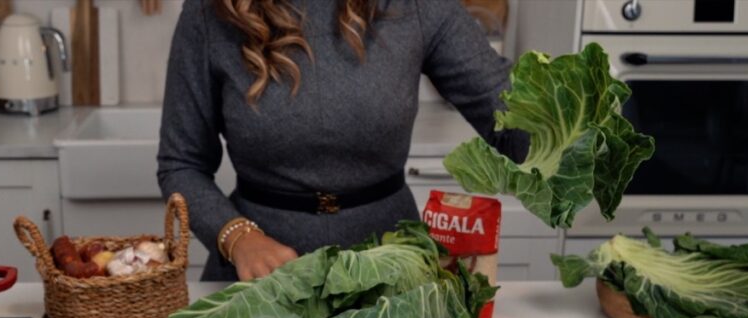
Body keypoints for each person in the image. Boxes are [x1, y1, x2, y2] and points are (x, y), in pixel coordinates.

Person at [158, 0, 528, 282]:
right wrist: (238, 239)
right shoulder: (211, 12)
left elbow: (512, 119)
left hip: (393, 273)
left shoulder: (416, 5)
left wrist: (573, 125)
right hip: (255, 280)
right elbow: (181, 164)